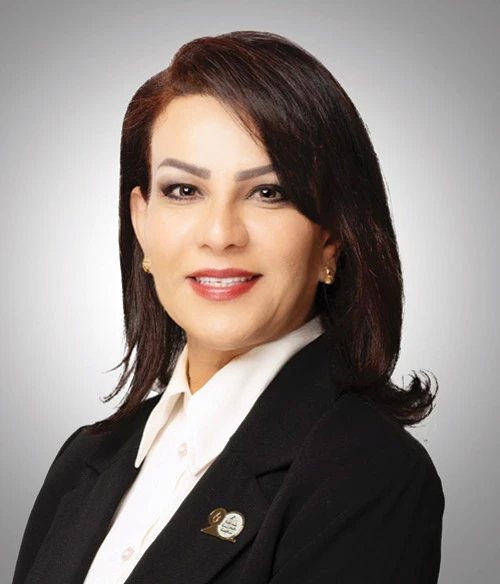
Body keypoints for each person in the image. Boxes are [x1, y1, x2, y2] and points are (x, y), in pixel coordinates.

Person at [12, 30, 444, 584]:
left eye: (268, 192)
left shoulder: (369, 474)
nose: (220, 235)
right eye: (184, 191)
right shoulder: (85, 459)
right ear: (141, 222)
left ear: (331, 237)